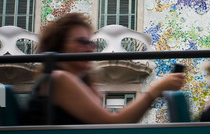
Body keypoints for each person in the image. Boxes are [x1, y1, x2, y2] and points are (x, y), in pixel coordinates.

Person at [23, 13, 185, 125]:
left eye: (91, 43)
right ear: (60, 46)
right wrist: (154, 91)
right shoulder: (58, 79)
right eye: (82, 42)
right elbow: (113, 124)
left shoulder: (76, 81)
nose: (90, 48)